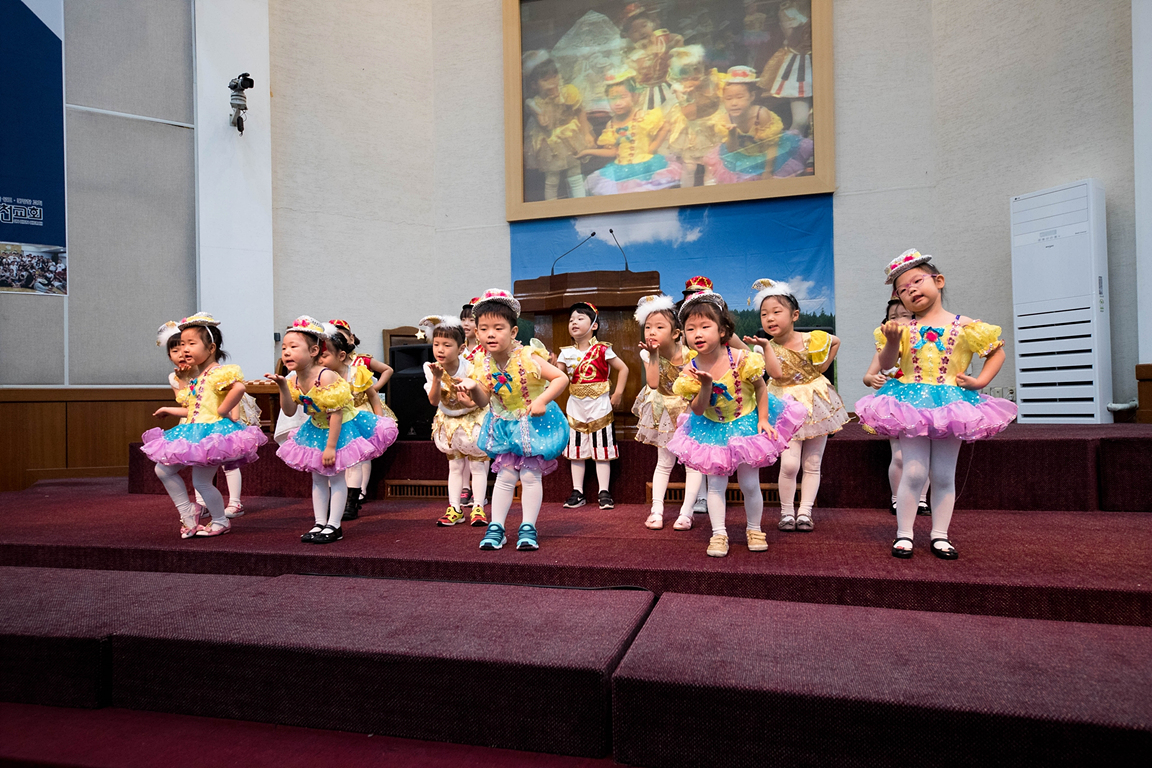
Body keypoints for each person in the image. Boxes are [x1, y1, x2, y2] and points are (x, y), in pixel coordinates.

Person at [856, 250, 1017, 559]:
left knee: (943, 474)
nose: (911, 290)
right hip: (911, 405)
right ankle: (904, 533)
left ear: (938, 281)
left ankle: (940, 535)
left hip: (952, 405)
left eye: (917, 281)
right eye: (903, 290)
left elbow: (996, 352)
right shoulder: (902, 330)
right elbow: (887, 365)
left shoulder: (966, 326)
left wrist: (980, 381)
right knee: (914, 472)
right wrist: (892, 341)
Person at [666, 290, 806, 557]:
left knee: (750, 483)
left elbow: (761, 387)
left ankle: (754, 529)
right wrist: (705, 385)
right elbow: (697, 409)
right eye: (691, 328)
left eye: (705, 327)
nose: (697, 334)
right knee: (716, 485)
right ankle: (719, 533)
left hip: (745, 424)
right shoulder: (689, 370)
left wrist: (763, 419)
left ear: (722, 330)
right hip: (712, 429)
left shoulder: (742, 358)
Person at [455, 289, 570, 551]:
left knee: (529, 475)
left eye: (498, 328)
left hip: (533, 423)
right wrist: (472, 388)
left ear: (513, 331)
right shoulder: (482, 363)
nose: (491, 334)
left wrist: (541, 401)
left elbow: (560, 378)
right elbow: (483, 400)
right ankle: (496, 527)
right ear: (477, 333)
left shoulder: (528, 357)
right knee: (505, 476)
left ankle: (528, 527)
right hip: (504, 425)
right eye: (484, 329)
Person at [268, 317, 398, 544]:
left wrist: (331, 447)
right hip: (316, 428)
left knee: (336, 476)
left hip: (340, 429)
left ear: (313, 351)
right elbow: (289, 411)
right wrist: (282, 386)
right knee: (318, 478)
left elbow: (337, 413)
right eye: (284, 348)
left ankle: (334, 525)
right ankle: (320, 522)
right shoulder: (294, 379)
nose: (287, 352)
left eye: (293, 347)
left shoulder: (326, 375)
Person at [142, 313, 266, 538]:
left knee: (201, 482)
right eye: (182, 344)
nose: (185, 349)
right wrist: (169, 409)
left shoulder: (219, 372)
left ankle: (220, 520)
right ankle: (188, 511)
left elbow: (239, 388)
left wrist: (223, 411)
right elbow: (194, 410)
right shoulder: (199, 377)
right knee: (162, 469)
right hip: (194, 429)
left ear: (211, 348)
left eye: (191, 343)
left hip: (211, 435)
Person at [746, 279, 849, 533]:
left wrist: (822, 367)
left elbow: (835, 341)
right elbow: (775, 375)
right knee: (790, 464)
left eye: (776, 312)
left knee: (813, 463)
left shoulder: (813, 339)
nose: (770, 318)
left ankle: (805, 512)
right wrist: (766, 348)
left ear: (794, 315)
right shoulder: (764, 347)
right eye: (764, 314)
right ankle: (786, 512)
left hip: (815, 401)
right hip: (784, 404)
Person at [632, 294, 706, 531]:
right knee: (664, 462)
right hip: (663, 409)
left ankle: (686, 512)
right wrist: (653, 355)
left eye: (659, 327)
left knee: (692, 463)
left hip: (689, 411)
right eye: (648, 327)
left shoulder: (691, 354)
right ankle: (656, 510)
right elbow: (654, 383)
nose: (651, 332)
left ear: (675, 333)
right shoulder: (647, 353)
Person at [419, 314, 491, 528]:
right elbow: (433, 401)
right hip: (449, 421)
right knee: (455, 466)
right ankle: (455, 508)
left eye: (447, 345)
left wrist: (468, 401)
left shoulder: (470, 368)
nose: (440, 350)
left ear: (460, 349)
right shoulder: (431, 368)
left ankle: (478, 507)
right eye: (436, 344)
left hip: (472, 419)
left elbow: (480, 400)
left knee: (477, 465)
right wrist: (437, 379)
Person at [557, 302, 629, 510]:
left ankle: (603, 491)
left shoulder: (603, 349)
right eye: (571, 320)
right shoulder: (565, 353)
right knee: (576, 450)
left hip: (600, 406)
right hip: (575, 406)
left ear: (594, 325)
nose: (574, 322)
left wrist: (618, 393)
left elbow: (623, 369)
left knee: (602, 450)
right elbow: (557, 377)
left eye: (580, 318)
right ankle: (577, 491)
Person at [863, 299, 930, 516]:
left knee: (924, 456)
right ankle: (896, 498)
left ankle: (921, 499)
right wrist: (872, 379)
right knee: (900, 456)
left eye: (906, 316)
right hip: (896, 405)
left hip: (922, 403)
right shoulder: (885, 347)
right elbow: (868, 375)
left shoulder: (925, 344)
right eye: (893, 317)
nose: (899, 321)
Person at [328, 319, 393, 520]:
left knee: (357, 459)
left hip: (356, 417)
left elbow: (373, 395)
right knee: (333, 461)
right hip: (331, 421)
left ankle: (353, 499)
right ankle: (334, 499)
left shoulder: (359, 368)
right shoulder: (324, 374)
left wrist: (380, 422)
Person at [577, 69, 680, 196]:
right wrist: (588, 152)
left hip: (646, 166)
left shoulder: (642, 116)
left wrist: (652, 147)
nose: (617, 103)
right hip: (621, 170)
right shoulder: (611, 124)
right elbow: (614, 151)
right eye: (612, 99)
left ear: (634, 96)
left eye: (623, 97)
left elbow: (665, 127)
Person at [703, 66, 800, 184]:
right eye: (729, 98)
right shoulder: (726, 119)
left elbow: (771, 146)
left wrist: (768, 170)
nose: (734, 103)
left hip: (766, 156)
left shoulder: (761, 114)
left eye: (740, 97)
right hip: (741, 157)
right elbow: (732, 149)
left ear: (752, 96)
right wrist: (732, 133)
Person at [523, 50, 593, 201]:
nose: (552, 83)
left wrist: (586, 133)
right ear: (534, 85)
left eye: (554, 76)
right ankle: (551, 208)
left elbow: (580, 111)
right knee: (552, 179)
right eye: (545, 80)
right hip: (550, 142)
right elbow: (542, 121)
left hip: (570, 136)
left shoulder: (567, 92)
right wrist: (539, 116)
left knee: (575, 173)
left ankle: (581, 204)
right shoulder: (537, 103)